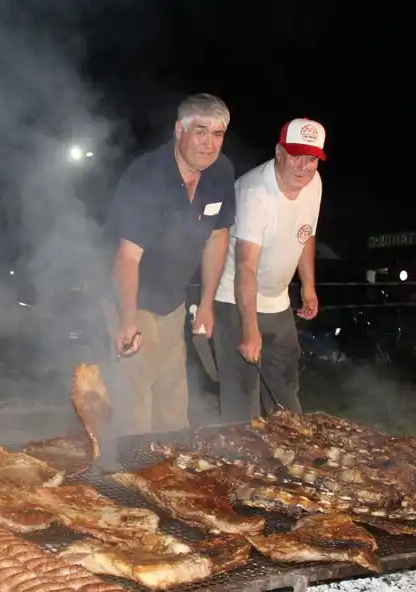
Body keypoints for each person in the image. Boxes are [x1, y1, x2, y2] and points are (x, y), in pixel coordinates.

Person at [102, 93, 235, 436]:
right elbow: (127, 258)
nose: (209, 144)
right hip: (131, 292)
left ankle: (171, 472)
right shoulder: (146, 176)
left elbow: (218, 238)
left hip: (173, 297)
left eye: (218, 134)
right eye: (201, 132)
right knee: (136, 389)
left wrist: (206, 304)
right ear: (180, 130)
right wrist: (128, 320)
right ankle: (131, 472)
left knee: (173, 390)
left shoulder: (221, 173)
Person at [213, 118, 326, 422]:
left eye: (311, 158)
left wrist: (308, 286)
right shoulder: (255, 193)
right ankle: (240, 465)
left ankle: (291, 459)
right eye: (295, 155)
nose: (302, 166)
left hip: (277, 299)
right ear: (279, 152)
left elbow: (306, 232)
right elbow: (246, 266)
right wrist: (250, 332)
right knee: (242, 398)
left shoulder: (313, 184)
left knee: (286, 388)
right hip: (235, 297)